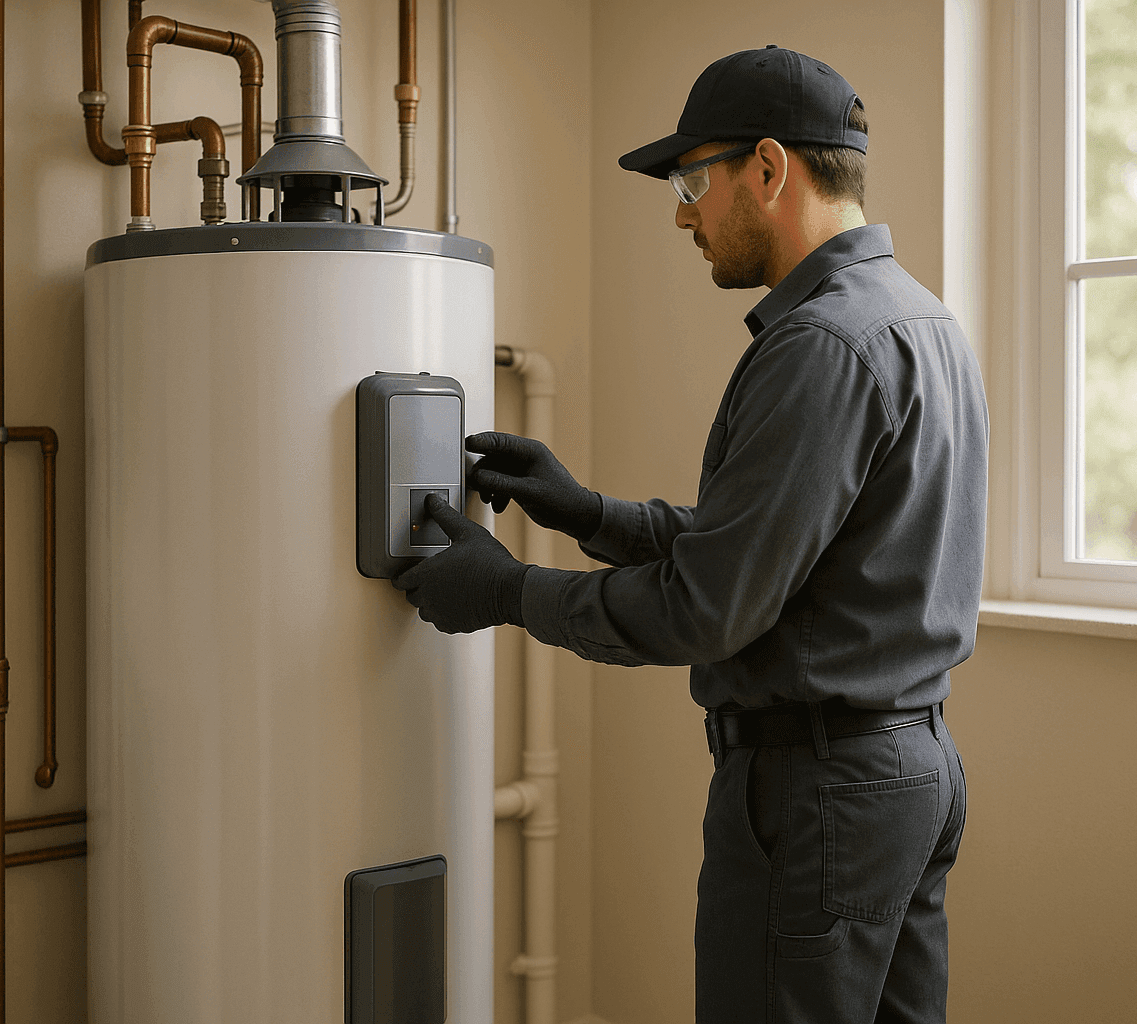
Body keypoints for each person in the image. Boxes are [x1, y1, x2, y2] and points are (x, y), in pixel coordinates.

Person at [393, 45, 987, 1024]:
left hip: (817, 793)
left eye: (690, 179)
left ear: (767, 166)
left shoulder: (821, 346)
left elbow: (708, 607)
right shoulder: (916, 320)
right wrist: (589, 513)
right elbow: (776, 548)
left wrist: (505, 591)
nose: (682, 212)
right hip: (906, 772)